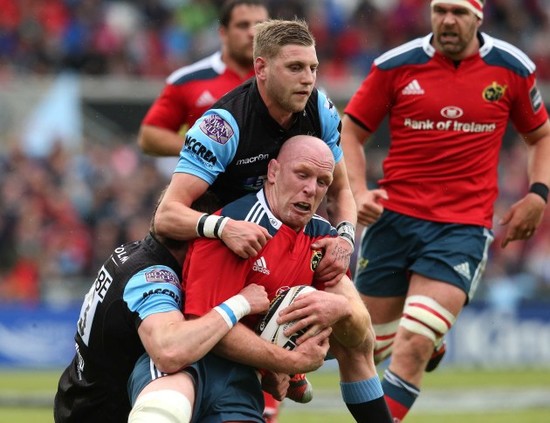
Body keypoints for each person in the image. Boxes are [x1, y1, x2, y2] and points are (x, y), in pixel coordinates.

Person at [341, 1, 550, 421]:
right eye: (440, 9)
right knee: (364, 346)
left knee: (412, 342)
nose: (447, 20)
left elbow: (540, 134)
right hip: (392, 221)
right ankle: (433, 333)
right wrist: (358, 191)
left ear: (479, 16)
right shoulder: (395, 65)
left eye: (458, 11)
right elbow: (351, 129)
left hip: (461, 228)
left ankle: (426, 335)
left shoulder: (512, 67)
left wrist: (539, 194)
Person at [152, 17, 358, 421]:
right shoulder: (222, 125)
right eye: (295, 68)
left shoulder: (320, 109)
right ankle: (276, 369)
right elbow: (166, 215)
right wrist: (223, 227)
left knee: (360, 327)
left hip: (278, 242)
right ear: (261, 68)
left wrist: (346, 239)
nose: (308, 79)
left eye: (313, 68)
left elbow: (342, 192)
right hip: (217, 256)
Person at [128, 135, 392, 423]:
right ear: (273, 172)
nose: (310, 189)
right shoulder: (236, 230)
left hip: (242, 381)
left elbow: (359, 335)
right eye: (302, 174)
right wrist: (289, 362)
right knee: (160, 413)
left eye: (322, 182)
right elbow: (203, 331)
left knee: (356, 337)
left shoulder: (324, 239)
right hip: (189, 367)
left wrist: (340, 309)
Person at [53, 194, 271, 423]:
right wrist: (240, 303)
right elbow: (169, 351)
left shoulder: (133, 253)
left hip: (78, 400)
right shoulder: (155, 277)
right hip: (101, 415)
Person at [138, 0, 269, 158]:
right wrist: (207, 149)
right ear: (223, 33)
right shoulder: (188, 80)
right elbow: (149, 137)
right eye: (242, 25)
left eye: (260, 25)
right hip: (211, 181)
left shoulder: (285, 76)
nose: (253, 33)